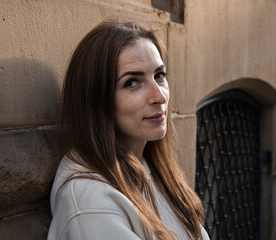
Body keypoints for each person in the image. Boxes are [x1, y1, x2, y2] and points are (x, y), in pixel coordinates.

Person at [48, 20, 210, 240]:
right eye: (132, 82)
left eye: (159, 75)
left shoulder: (151, 168)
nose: (159, 97)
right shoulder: (90, 203)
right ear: (97, 100)